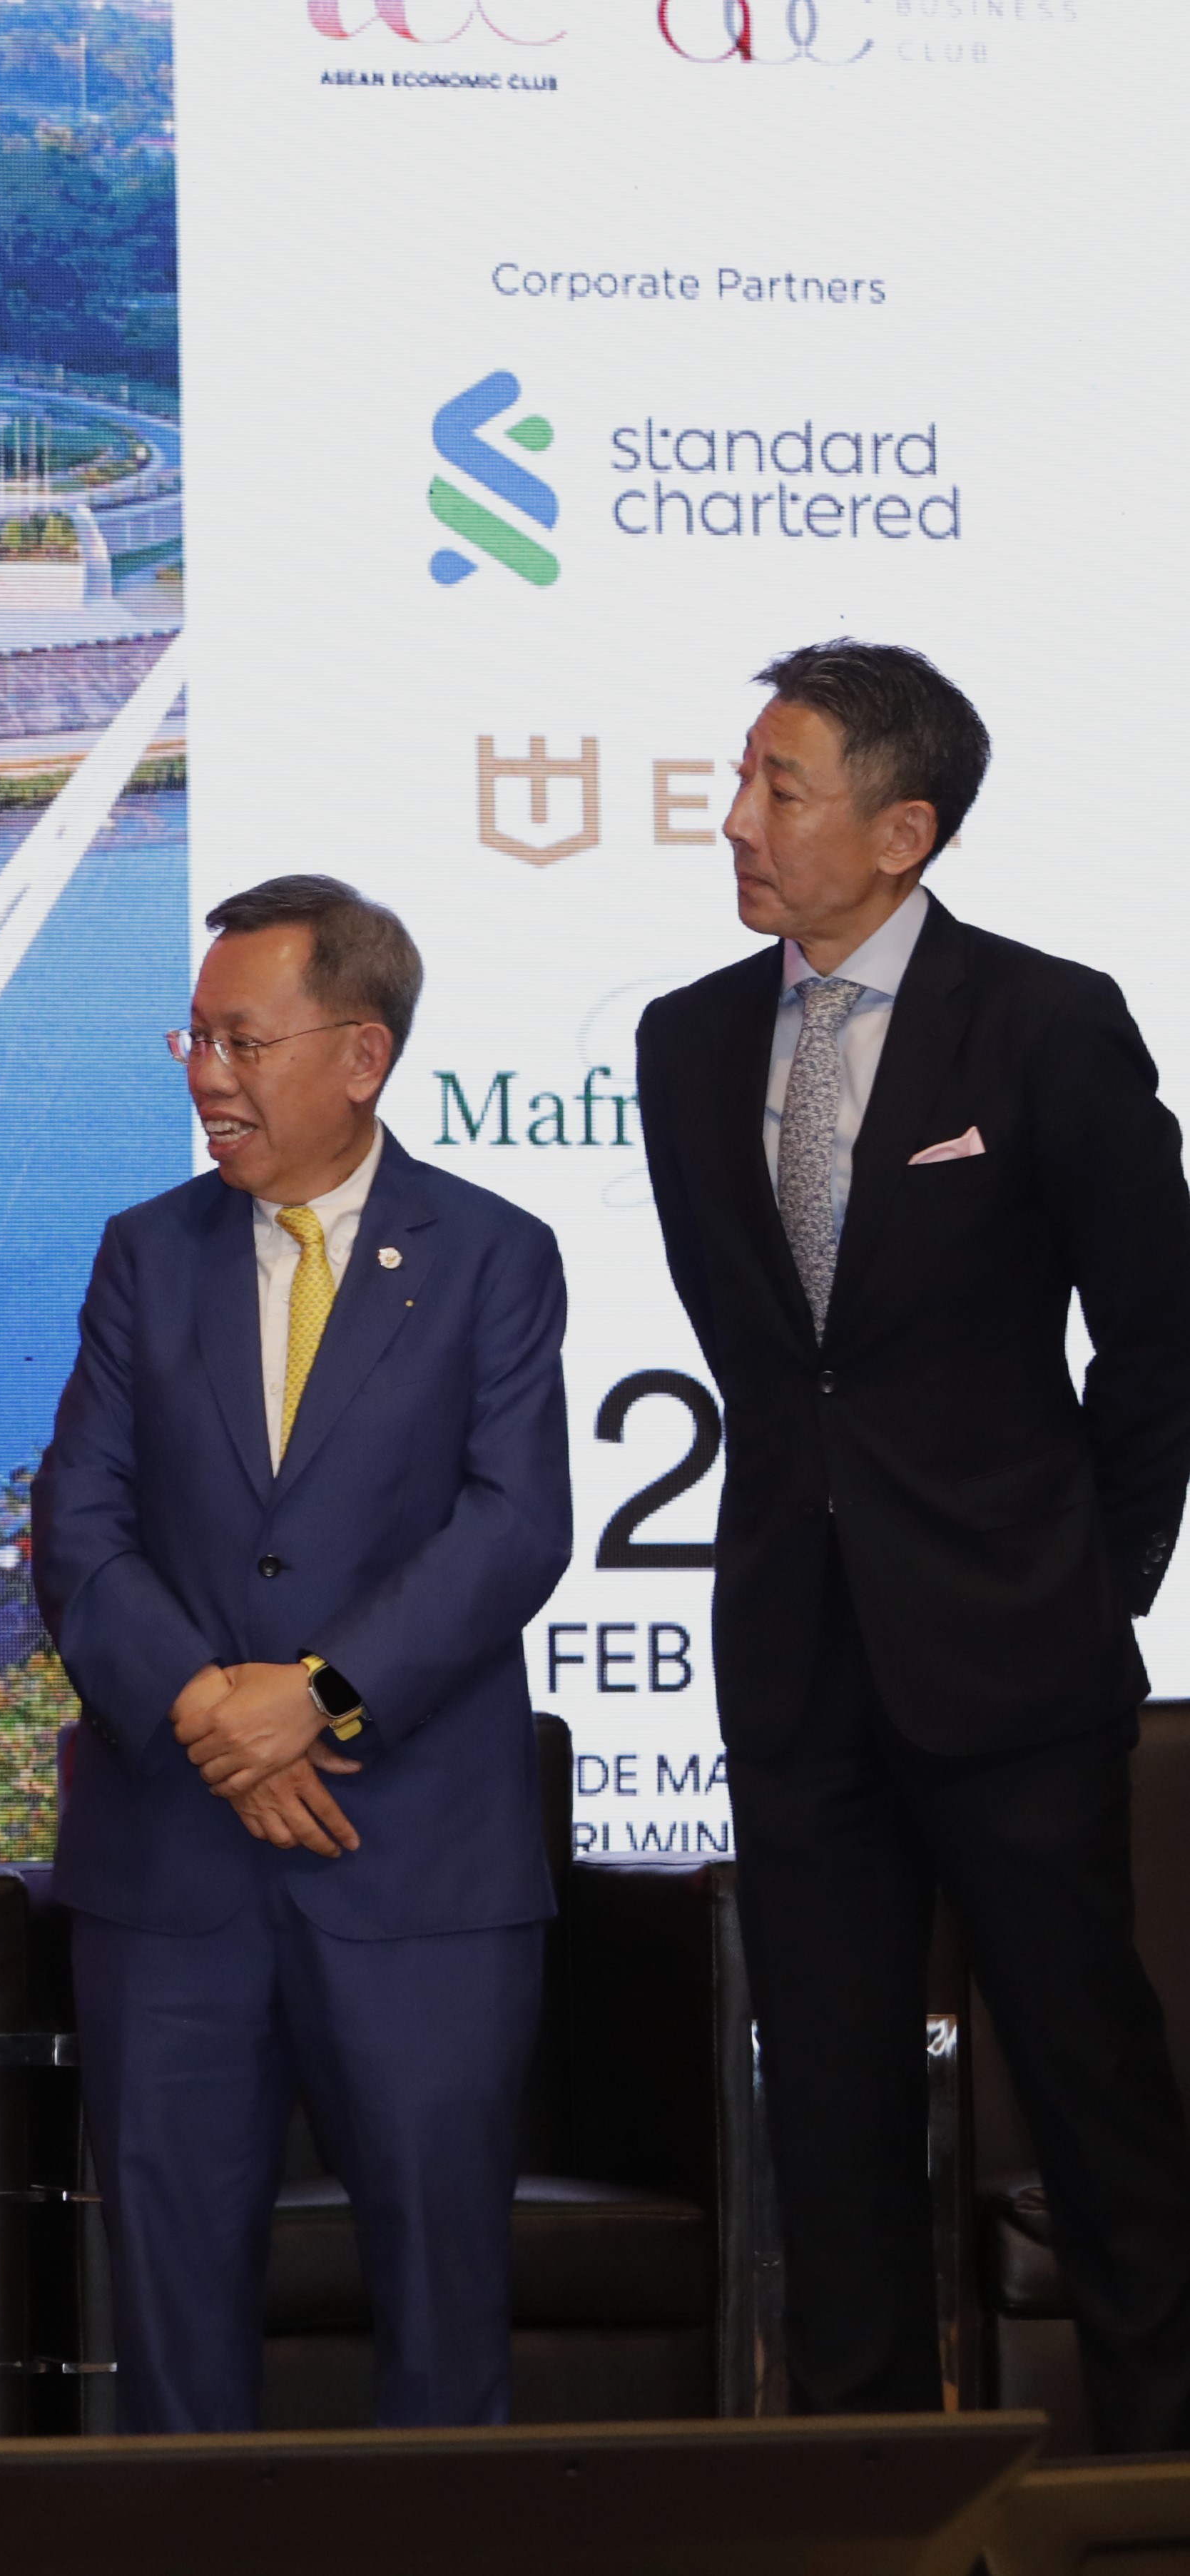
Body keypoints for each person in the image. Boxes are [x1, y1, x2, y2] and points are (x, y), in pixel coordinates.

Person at [639, 640, 1190, 2443]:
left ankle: (1152, 2478)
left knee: (1089, 2089)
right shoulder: (682, 1040)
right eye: (741, 777)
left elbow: (1157, 1341)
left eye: (776, 786)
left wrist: (1089, 1586)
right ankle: (866, 2488)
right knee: (828, 2113)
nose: (735, 818)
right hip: (794, 1659)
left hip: (1013, 1656)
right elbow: (771, 1363)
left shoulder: (1042, 1022)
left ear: (901, 830)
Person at [30, 875, 570, 2431]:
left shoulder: (490, 1255)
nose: (206, 1075)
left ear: (360, 1054)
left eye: (242, 1042)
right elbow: (77, 1522)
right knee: (171, 2336)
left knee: (442, 2321)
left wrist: (317, 1697)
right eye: (192, 1038)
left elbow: (511, 1526)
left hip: (416, 1874)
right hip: (171, 1871)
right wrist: (209, 1709)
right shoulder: (145, 1253)